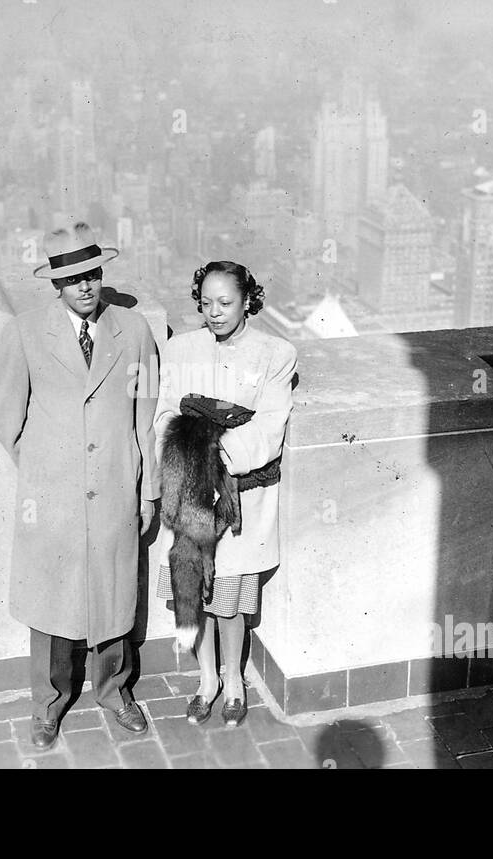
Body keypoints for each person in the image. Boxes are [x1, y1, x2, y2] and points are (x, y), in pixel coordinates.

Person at [0, 221, 160, 750]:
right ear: (54, 285)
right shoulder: (21, 332)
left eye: (93, 274)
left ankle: (114, 691)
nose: (86, 287)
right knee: (52, 601)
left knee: (112, 594)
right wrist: (44, 468)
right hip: (53, 497)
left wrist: (145, 485)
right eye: (73, 279)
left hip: (114, 490)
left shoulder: (136, 330)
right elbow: (3, 415)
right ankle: (48, 704)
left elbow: (145, 415)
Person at [154, 261, 297, 727]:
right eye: (206, 302)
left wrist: (213, 455)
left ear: (247, 301)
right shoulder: (181, 350)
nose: (214, 313)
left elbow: (269, 425)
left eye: (226, 303)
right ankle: (206, 680)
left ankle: (233, 680)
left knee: (230, 598)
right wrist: (189, 459)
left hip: (239, 496)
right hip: (190, 492)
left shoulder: (274, 354)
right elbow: (164, 416)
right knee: (194, 590)